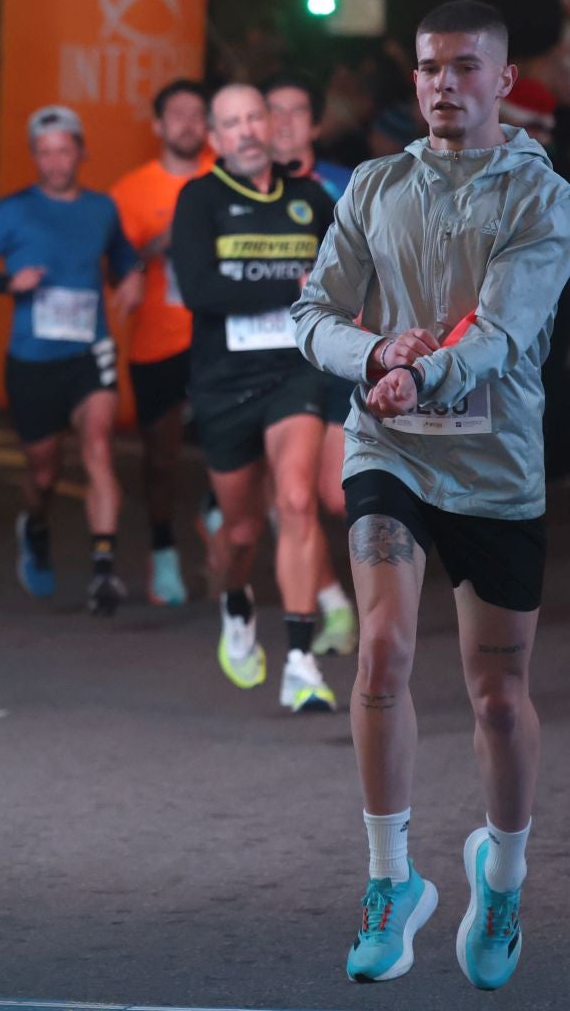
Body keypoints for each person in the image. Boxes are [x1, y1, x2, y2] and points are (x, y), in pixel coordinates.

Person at [291, 0, 570, 990]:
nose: (443, 83)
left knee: (498, 698)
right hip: (388, 443)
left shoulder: (543, 201)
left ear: (503, 82)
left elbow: (501, 332)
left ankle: (501, 872)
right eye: (428, 67)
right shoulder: (375, 184)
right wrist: (374, 352)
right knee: (380, 647)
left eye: (465, 67)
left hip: (497, 465)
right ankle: (389, 879)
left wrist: (428, 370)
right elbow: (313, 311)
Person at [171, 84, 340, 713]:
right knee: (240, 532)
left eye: (253, 119)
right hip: (222, 385)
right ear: (215, 137)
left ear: (271, 126)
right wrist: (288, 291)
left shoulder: (311, 199)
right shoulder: (200, 199)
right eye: (231, 123)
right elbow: (199, 289)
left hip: (294, 374)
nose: (244, 132)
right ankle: (235, 602)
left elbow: (347, 273)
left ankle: (300, 661)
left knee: (297, 500)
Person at [0, 105, 142, 616]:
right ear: (36, 157)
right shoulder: (9, 211)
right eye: (46, 152)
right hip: (33, 359)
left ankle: (104, 571)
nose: (57, 161)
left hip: (90, 351)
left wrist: (133, 274)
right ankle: (35, 524)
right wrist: (6, 282)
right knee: (43, 472)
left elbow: (122, 254)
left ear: (81, 152)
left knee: (99, 448)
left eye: (65, 149)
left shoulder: (101, 208)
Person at [261, 74, 361, 654]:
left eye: (296, 112)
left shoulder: (346, 186)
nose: (282, 123)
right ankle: (334, 608)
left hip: (334, 356)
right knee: (287, 499)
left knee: (334, 498)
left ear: (316, 125)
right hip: (268, 366)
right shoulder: (236, 192)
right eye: (272, 110)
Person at [107, 79, 212, 605]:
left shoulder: (229, 173)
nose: (189, 123)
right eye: (178, 114)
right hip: (157, 337)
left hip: (219, 332)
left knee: (239, 439)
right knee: (161, 458)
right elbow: (118, 266)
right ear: (157, 126)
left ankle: (214, 507)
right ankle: (164, 553)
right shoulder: (130, 191)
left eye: (198, 114)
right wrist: (160, 242)